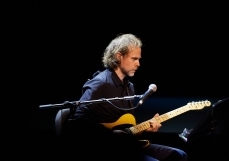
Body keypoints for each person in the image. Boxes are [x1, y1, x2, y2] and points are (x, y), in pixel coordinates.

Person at [65, 33, 188, 161]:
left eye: (139, 59)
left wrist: (146, 129)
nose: (138, 64)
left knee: (180, 155)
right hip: (105, 148)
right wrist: (110, 134)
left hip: (126, 145)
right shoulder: (100, 83)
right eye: (134, 59)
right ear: (119, 56)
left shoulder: (130, 87)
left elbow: (126, 128)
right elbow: (77, 119)